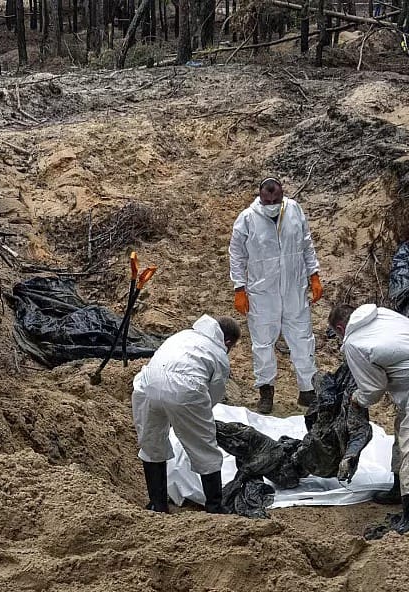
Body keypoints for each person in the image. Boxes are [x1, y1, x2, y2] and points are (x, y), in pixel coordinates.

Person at [329, 303, 409, 533]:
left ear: (340, 328)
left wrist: (357, 399)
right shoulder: (381, 314)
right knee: (403, 428)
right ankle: (399, 487)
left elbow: (374, 389)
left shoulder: (354, 343)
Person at [229, 177, 324, 415]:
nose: (272, 204)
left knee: (302, 339)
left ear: (282, 195)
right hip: (263, 292)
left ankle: (307, 389)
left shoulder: (294, 210)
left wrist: (314, 275)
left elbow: (306, 243)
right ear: (260, 197)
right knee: (263, 342)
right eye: (268, 200)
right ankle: (266, 390)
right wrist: (239, 288)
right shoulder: (247, 219)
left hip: (294, 289)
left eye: (276, 199)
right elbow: (237, 255)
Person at [133, 314, 242, 515]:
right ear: (227, 342)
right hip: (186, 388)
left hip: (147, 383)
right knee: (205, 449)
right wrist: (194, 418)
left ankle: (157, 504)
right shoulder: (218, 353)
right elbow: (214, 394)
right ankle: (215, 507)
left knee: (152, 443)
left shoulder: (183, 335)